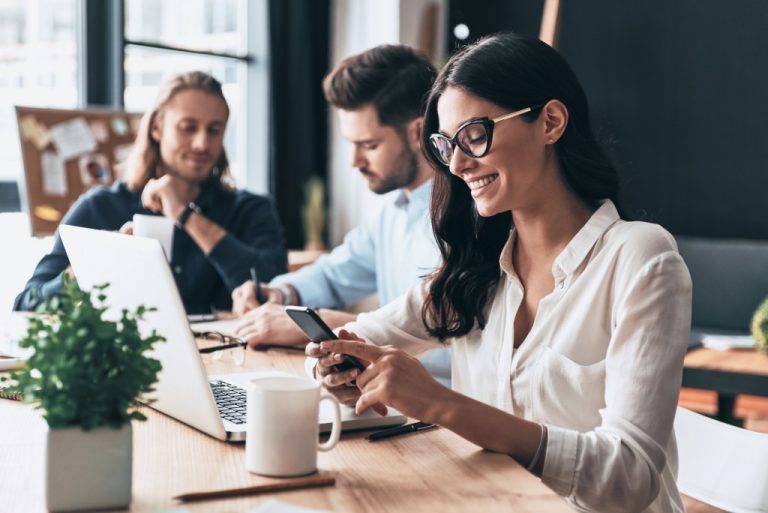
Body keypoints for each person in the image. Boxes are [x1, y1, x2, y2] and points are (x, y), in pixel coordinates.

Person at [308, 33, 692, 513]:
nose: (457, 163)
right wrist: (329, 365)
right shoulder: (474, 270)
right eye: (446, 144)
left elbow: (628, 476)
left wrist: (439, 404)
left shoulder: (641, 258)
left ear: (550, 122)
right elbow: (356, 337)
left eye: (473, 135)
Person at [231, 45, 451, 385]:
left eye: (369, 145)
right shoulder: (393, 212)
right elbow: (334, 275)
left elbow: (458, 343)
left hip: (442, 414)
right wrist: (281, 295)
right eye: (351, 143)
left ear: (417, 132)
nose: (354, 161)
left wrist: (335, 325)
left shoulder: (466, 218)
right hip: (389, 399)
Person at [15, 71, 287, 314]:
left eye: (214, 130)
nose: (202, 143)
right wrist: (94, 262)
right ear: (157, 128)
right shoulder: (99, 208)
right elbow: (27, 304)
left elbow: (273, 294)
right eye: (188, 127)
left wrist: (185, 215)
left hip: (233, 365)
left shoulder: (251, 209)